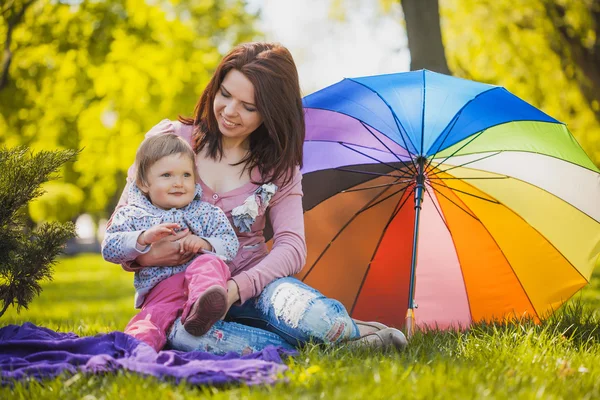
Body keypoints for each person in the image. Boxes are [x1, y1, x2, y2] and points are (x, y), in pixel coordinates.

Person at [114, 42, 407, 354]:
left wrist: (235, 289)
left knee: (315, 317)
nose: (229, 111)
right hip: (182, 297)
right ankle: (326, 347)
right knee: (187, 337)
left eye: (248, 107)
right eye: (225, 94)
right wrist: (151, 252)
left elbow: (292, 247)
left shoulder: (278, 168)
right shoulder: (169, 142)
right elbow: (118, 229)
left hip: (256, 285)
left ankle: (350, 331)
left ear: (271, 113)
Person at [102, 134, 239, 351]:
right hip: (161, 290)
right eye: (167, 175)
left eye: (186, 175)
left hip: (200, 285)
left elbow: (230, 244)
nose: (178, 183)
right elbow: (109, 248)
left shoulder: (205, 212)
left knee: (210, 264)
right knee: (151, 320)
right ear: (143, 184)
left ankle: (201, 310)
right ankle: (138, 351)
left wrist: (203, 242)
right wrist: (143, 238)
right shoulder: (134, 215)